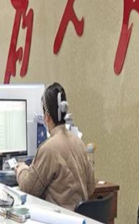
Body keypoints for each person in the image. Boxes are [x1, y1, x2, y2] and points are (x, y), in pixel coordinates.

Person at [16, 83, 95, 211]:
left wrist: (21, 169)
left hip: (60, 218)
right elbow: (91, 187)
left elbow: (28, 188)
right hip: (79, 218)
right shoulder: (79, 143)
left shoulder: (48, 149)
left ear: (46, 117)